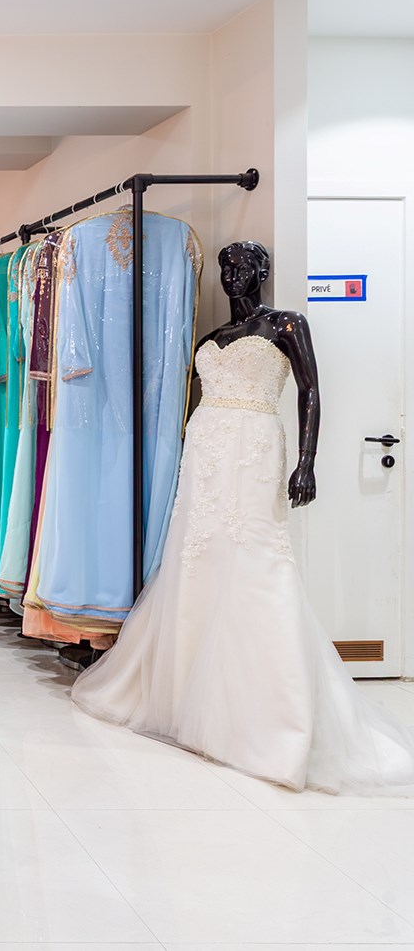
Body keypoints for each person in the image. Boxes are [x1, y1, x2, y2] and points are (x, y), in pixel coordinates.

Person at [72, 241, 414, 794]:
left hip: (255, 448)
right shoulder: (211, 338)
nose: (232, 275)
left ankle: (276, 723)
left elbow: (310, 391)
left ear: (263, 271)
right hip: (205, 450)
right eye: (226, 267)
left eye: (243, 266)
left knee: (258, 561)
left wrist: (307, 462)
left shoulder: (286, 325)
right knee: (197, 560)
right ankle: (186, 702)